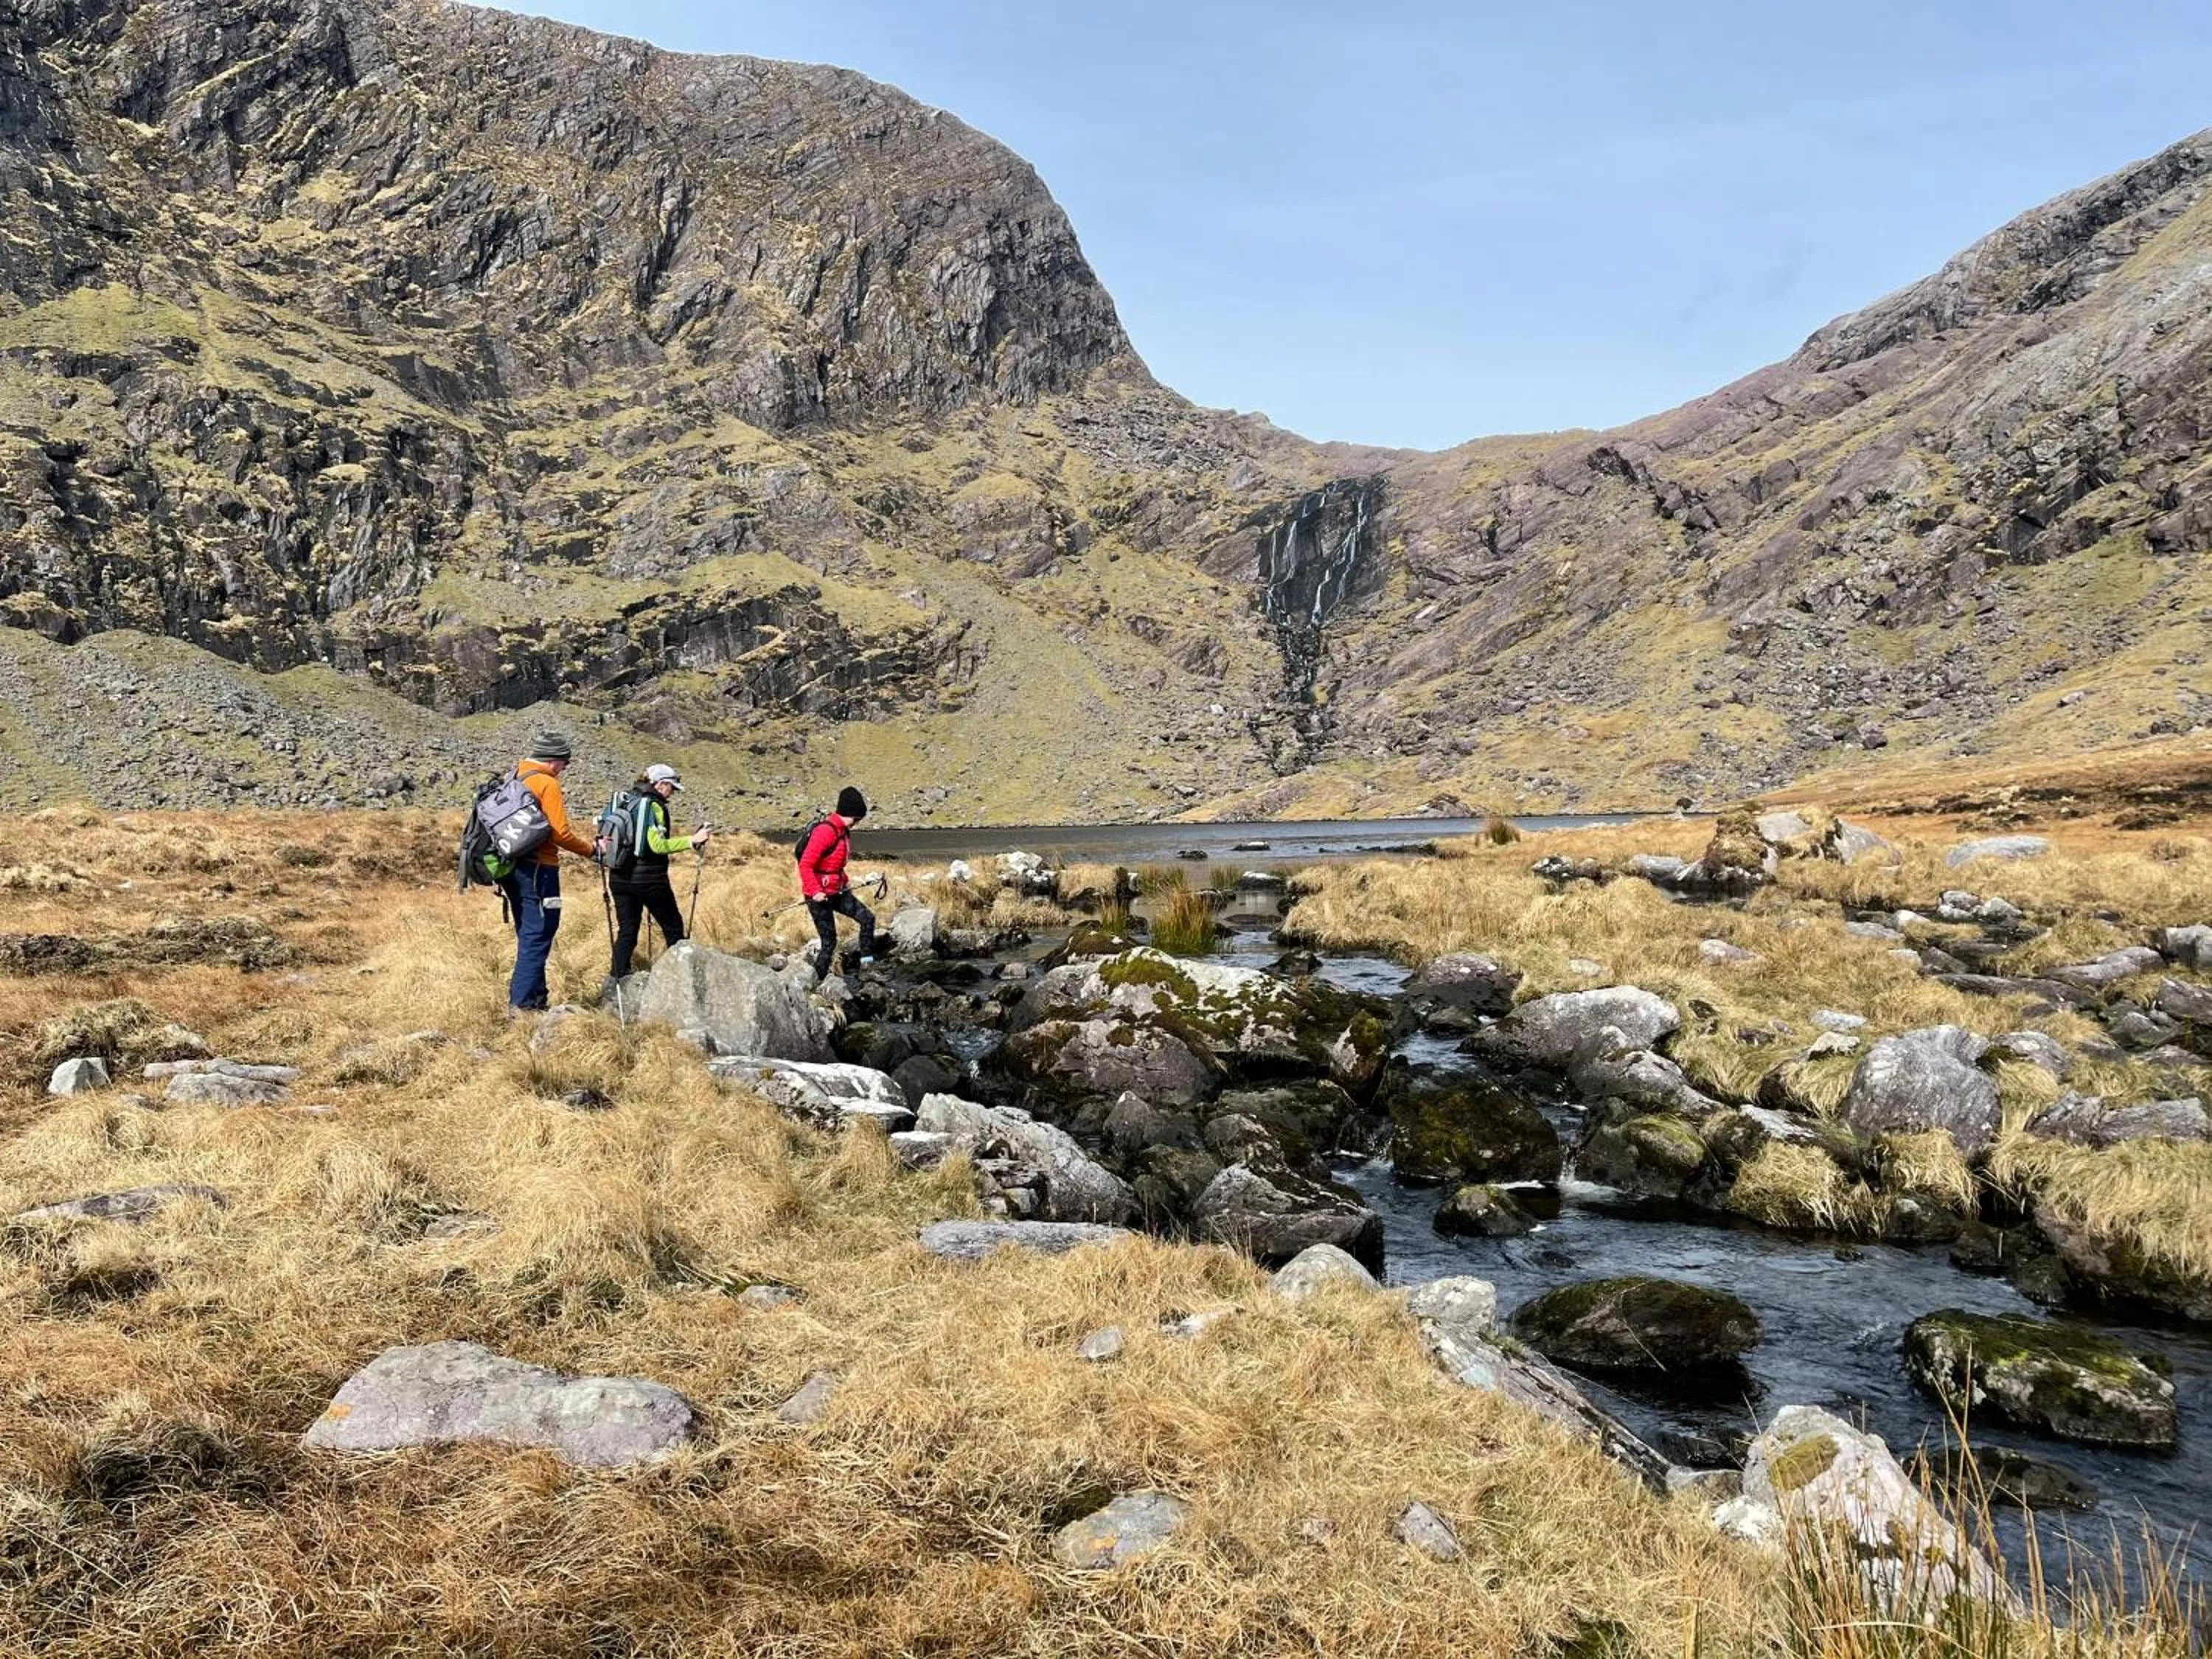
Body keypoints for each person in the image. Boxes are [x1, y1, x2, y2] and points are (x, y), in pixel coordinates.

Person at [503, 731, 599, 1016]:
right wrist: (592, 851)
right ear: (554, 760)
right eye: (564, 764)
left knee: (529, 931)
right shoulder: (546, 783)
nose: (564, 770)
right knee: (540, 932)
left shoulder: (516, 776)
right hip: (539, 869)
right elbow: (561, 833)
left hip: (513, 867)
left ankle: (536, 1000)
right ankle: (521, 1007)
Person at [608, 762, 712, 979]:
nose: (672, 793)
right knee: (673, 927)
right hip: (649, 880)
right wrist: (692, 841)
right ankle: (683, 980)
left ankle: (616, 982)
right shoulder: (653, 806)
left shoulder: (625, 800)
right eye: (671, 788)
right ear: (660, 784)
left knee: (627, 932)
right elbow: (657, 846)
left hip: (619, 877)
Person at [796, 785, 877, 983]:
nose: (857, 823)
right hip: (818, 897)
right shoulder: (825, 832)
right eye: (857, 819)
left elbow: (835, 865)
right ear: (851, 813)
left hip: (838, 892)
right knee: (829, 942)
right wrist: (815, 891)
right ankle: (817, 982)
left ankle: (867, 968)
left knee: (868, 919)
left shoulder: (844, 833)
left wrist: (845, 882)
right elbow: (806, 865)